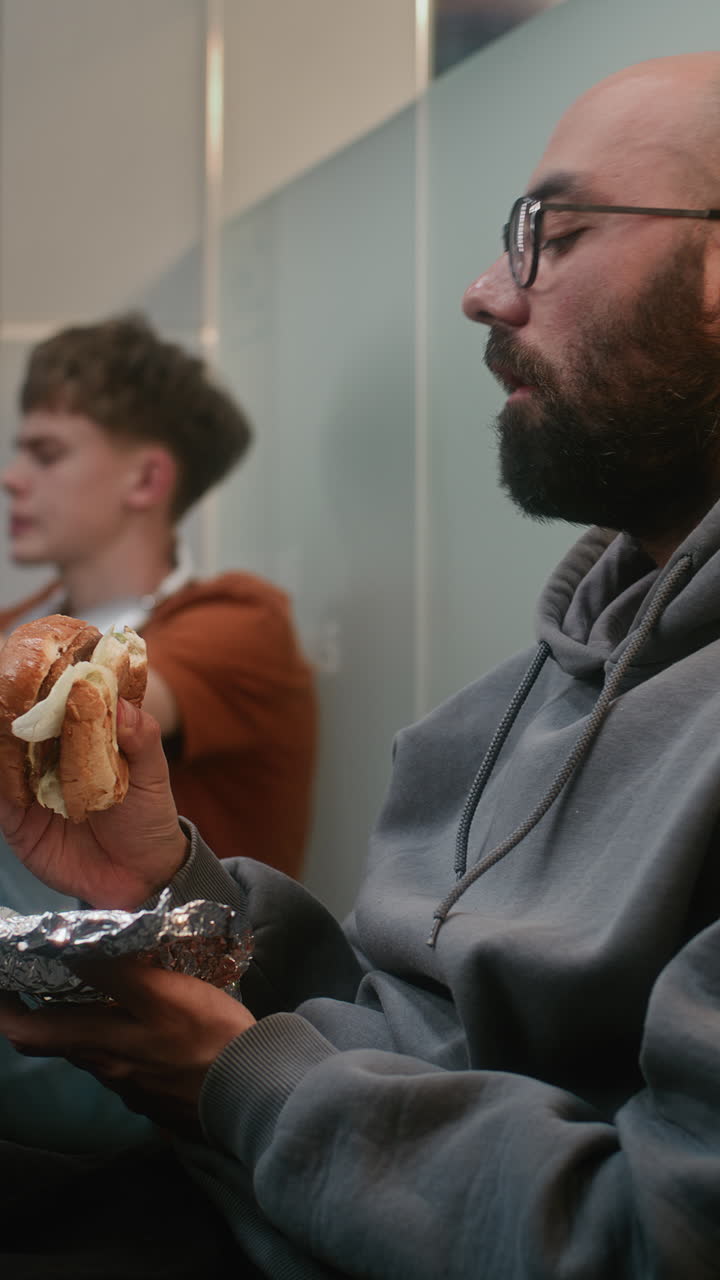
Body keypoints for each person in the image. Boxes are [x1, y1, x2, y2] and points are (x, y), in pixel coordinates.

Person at [2, 50, 720, 1278]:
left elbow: (654, 1237)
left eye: (559, 229)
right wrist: (180, 886)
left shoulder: (228, 617)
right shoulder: (502, 703)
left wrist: (235, 1078)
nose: (487, 291)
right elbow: (410, 1031)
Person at [0, 314, 316, 1155]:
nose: (11, 479)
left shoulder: (234, 621)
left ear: (146, 477)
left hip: (167, 1077)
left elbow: (93, 698)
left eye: (47, 453)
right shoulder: (12, 630)